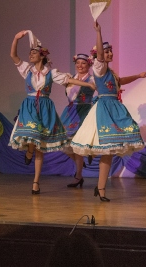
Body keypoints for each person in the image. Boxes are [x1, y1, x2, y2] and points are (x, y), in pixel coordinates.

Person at [71, 21, 146, 202]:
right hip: (105, 109)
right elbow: (98, 54)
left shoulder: (110, 72)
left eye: (110, 51)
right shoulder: (99, 68)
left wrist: (138, 76)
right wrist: (99, 32)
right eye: (106, 51)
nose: (109, 54)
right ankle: (101, 188)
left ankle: (101, 188)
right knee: (107, 150)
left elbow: (120, 81)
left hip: (113, 107)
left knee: (109, 152)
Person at [9, 30, 96, 194]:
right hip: (30, 105)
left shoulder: (51, 73)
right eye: (30, 53)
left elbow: (68, 80)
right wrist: (16, 38)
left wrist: (88, 85)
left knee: (40, 145)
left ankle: (36, 182)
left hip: (45, 107)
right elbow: (13, 56)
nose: (30, 55)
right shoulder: (26, 70)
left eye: (34, 53)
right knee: (32, 138)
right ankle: (29, 150)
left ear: (41, 56)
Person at [60, 53, 96, 188]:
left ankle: (78, 175)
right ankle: (79, 164)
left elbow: (101, 88)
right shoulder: (70, 77)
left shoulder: (92, 79)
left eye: (83, 63)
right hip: (70, 112)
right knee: (64, 144)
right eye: (78, 63)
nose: (80, 66)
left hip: (84, 111)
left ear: (89, 65)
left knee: (77, 145)